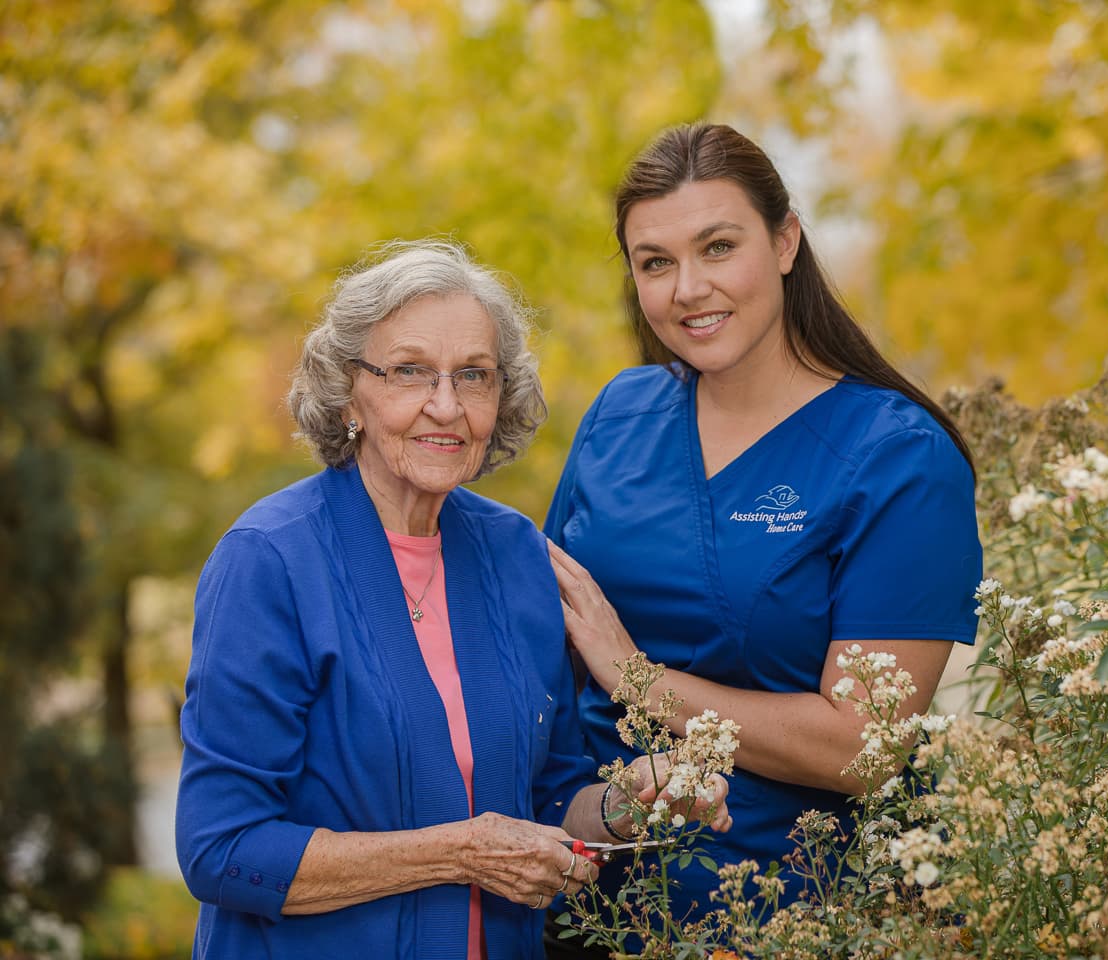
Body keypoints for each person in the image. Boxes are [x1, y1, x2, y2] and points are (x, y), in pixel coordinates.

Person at [175, 239, 730, 960]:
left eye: (474, 375)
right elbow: (222, 848)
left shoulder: (516, 556)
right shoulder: (270, 561)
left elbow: (549, 800)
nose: (447, 405)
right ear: (349, 392)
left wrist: (628, 804)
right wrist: (459, 853)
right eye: (410, 371)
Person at [544, 123, 983, 929]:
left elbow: (863, 746)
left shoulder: (898, 458)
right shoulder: (619, 413)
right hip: (587, 890)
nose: (687, 289)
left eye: (718, 247)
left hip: (790, 908)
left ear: (786, 243)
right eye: (655, 263)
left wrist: (637, 679)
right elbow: (542, 642)